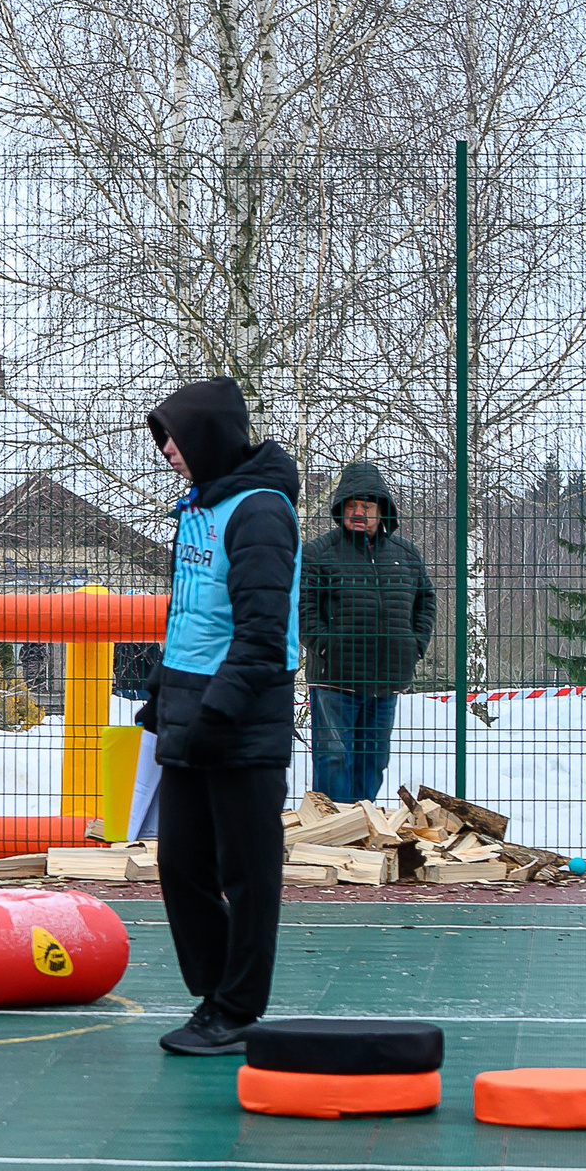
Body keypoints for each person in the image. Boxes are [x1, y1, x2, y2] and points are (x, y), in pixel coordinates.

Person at [137, 377, 303, 1057]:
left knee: (248, 872)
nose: (167, 450)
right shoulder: (200, 507)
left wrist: (216, 711)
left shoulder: (260, 512)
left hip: (240, 721)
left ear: (208, 435)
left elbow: (264, 633)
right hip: (191, 713)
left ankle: (236, 1009)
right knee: (180, 863)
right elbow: (192, 615)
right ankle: (215, 993)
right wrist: (162, 692)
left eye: (174, 437)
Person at [300, 461, 435, 804]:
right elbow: (303, 609)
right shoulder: (318, 553)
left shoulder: (406, 555)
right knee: (333, 759)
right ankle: (334, 828)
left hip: (385, 680)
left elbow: (426, 602)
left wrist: (415, 646)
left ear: (382, 510)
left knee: (372, 763)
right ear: (341, 508)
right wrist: (326, 647)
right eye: (352, 505)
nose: (359, 513)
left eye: (367, 506)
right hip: (335, 681)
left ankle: (363, 824)